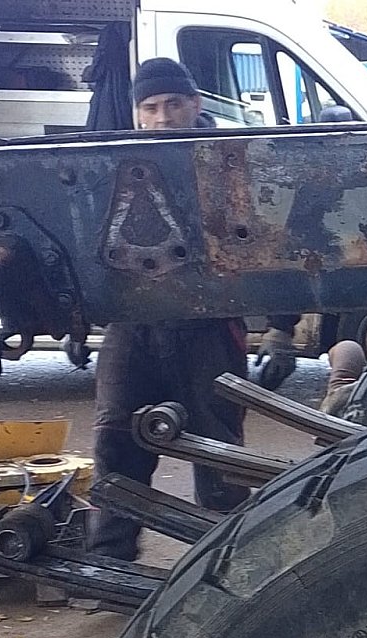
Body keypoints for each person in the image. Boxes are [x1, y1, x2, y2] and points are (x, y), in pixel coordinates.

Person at [88, 58, 299, 561]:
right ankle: (107, 567)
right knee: (115, 443)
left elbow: (275, 246)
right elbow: (86, 241)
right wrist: (80, 312)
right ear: (137, 113)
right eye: (150, 107)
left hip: (209, 329)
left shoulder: (231, 164)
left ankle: (226, 568)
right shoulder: (116, 165)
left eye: (173, 104)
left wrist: (281, 329)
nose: (162, 117)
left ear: (196, 103)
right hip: (132, 327)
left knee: (219, 455)